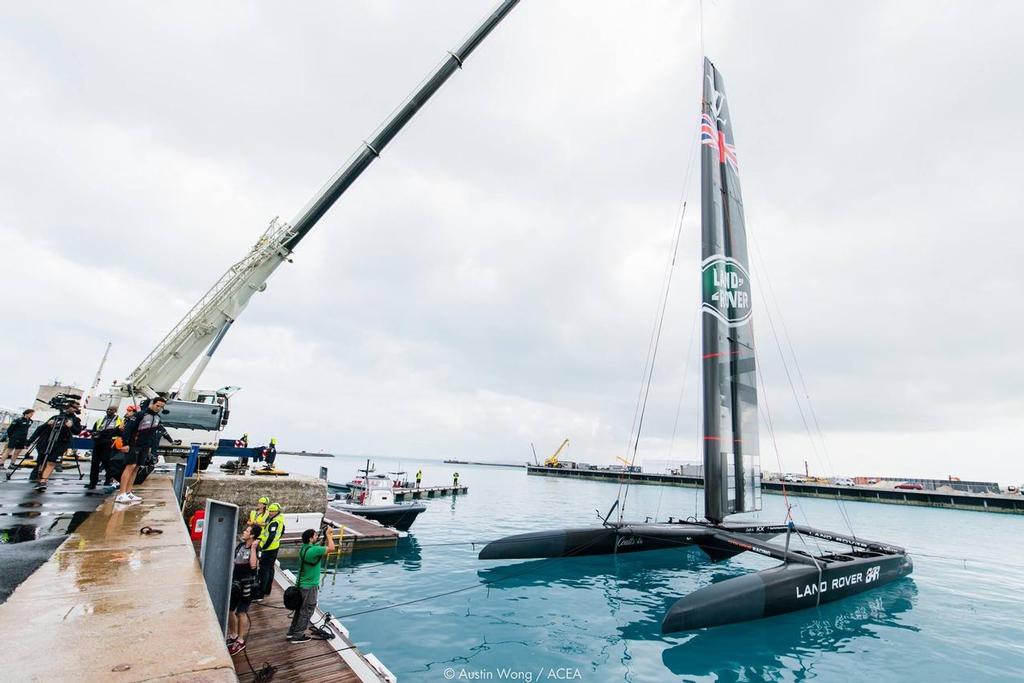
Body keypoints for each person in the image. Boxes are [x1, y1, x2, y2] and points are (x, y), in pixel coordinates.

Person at [286, 525, 335, 643]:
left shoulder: (305, 548)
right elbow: (332, 548)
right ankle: (298, 635)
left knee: (299, 609)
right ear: (310, 538)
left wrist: (323, 536)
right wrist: (328, 535)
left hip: (301, 584)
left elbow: (319, 548)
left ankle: (292, 631)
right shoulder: (313, 550)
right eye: (315, 535)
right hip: (310, 586)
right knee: (307, 610)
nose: (317, 537)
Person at [118, 396, 168, 503]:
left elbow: (153, 434)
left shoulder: (158, 418)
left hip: (145, 446)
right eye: (157, 405)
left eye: (161, 407)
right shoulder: (140, 415)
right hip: (134, 445)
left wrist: (150, 448)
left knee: (137, 467)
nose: (158, 408)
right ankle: (121, 493)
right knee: (130, 466)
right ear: (152, 404)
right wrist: (125, 443)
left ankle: (128, 492)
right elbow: (128, 429)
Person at [29, 403, 83, 491]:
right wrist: (48, 424)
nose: (71, 409)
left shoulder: (75, 419)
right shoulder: (56, 417)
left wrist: (71, 426)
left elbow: (77, 431)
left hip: (62, 443)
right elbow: (41, 429)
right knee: (42, 461)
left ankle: (43, 481)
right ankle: (39, 478)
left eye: (74, 408)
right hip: (48, 441)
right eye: (70, 407)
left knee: (51, 461)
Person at [226, 523, 261, 655]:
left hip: (247, 585)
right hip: (236, 583)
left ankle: (240, 640)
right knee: (230, 609)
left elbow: (253, 565)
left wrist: (253, 548)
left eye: (247, 531)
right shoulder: (240, 546)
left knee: (241, 612)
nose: (244, 532)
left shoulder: (256, 549)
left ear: (252, 535)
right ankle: (233, 634)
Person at [87, 406, 123, 490]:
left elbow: (118, 432)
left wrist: (106, 434)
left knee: (107, 463)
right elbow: (94, 429)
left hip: (110, 444)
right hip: (98, 443)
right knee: (94, 463)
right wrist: (94, 434)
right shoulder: (100, 420)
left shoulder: (118, 421)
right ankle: (92, 483)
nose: (109, 411)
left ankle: (110, 480)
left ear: (115, 411)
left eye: (111, 410)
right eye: (108, 409)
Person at [257, 502, 285, 600]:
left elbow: (271, 536)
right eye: (270, 511)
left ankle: (260, 594)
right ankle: (267, 590)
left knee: (264, 570)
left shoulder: (274, 522)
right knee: (270, 569)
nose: (271, 513)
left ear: (277, 511)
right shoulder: (279, 519)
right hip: (275, 547)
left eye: (273, 511)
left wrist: (264, 547)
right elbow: (282, 531)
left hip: (269, 549)